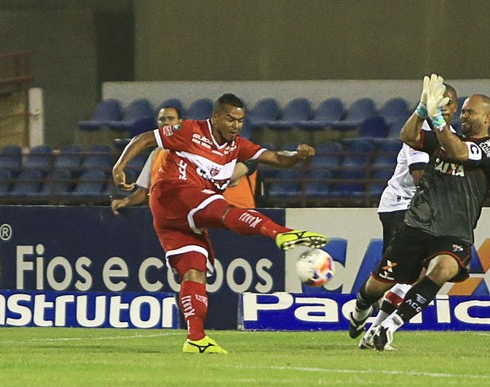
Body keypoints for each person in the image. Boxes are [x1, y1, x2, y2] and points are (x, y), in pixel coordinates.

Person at [112, 93, 328, 354]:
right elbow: (145, 138)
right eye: (230, 119)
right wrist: (119, 166)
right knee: (222, 209)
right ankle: (281, 233)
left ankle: (196, 338)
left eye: (240, 120)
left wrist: (297, 155)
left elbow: (276, 158)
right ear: (215, 117)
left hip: (176, 217)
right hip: (174, 193)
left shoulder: (238, 146)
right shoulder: (190, 130)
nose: (236, 125)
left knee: (194, 271)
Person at [347, 74, 490, 351]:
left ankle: (388, 327)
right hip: (417, 225)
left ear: (488, 118)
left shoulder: (489, 148)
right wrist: (421, 111)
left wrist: (438, 120)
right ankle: (361, 308)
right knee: (378, 286)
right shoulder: (443, 139)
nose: (465, 116)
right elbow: (407, 136)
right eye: (463, 111)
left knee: (442, 270)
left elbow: (458, 152)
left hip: (454, 230)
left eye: (471, 112)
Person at [353, 84, 459, 350]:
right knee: (394, 276)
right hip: (399, 206)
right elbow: (420, 177)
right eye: (437, 103)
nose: (442, 109)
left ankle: (375, 331)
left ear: (454, 108)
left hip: (427, 212)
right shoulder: (420, 133)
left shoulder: (451, 137)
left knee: (419, 274)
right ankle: (361, 307)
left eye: (447, 104)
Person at [111, 105, 256, 214]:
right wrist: (125, 201)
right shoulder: (156, 153)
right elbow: (143, 192)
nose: (166, 123)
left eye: (171, 119)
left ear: (180, 122)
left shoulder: (199, 147)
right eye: (162, 119)